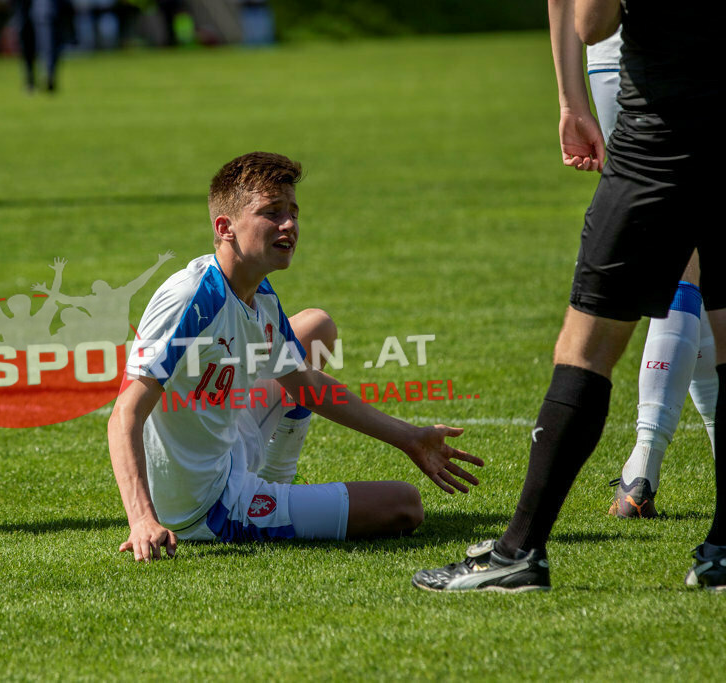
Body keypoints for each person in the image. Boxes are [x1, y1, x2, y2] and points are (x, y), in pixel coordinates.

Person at [412, 0, 726, 592]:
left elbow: (592, 21)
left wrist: (568, 97)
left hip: (665, 128)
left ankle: (519, 549)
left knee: (586, 345)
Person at [107, 152, 483, 562]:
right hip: (206, 505)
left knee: (314, 328)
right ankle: (267, 499)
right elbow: (125, 411)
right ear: (225, 227)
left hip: (232, 444)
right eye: (271, 213)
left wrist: (408, 437)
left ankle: (277, 481)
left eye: (293, 212)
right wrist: (142, 518)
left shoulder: (261, 296)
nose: (289, 225)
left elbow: (307, 388)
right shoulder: (191, 298)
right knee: (404, 504)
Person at [554, 24, 717, 519]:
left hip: (612, 66)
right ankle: (646, 454)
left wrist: (568, 99)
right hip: (687, 65)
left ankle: (645, 467)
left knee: (687, 269)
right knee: (695, 267)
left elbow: (581, 15)